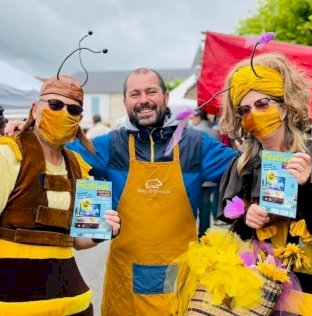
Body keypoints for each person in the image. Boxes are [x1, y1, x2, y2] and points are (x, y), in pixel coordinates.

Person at [63, 68, 236, 315]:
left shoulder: (197, 145)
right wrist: (28, 134)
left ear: (166, 98)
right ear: (125, 103)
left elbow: (246, 169)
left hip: (179, 280)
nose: (143, 99)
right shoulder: (109, 146)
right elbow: (55, 155)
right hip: (125, 282)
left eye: (151, 91)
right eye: (135, 94)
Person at [0, 75, 120, 315]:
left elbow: (78, 241)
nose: (64, 113)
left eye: (73, 110)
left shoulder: (78, 167)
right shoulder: (9, 154)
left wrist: (104, 231)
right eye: (55, 105)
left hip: (70, 303)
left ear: (80, 119)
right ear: (35, 109)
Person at [218, 52, 312, 315]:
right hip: (260, 292)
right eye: (245, 110)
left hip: (310, 290)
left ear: (283, 108)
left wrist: (305, 188)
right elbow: (236, 232)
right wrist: (246, 216)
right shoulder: (243, 165)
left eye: (262, 104)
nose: (254, 115)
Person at [189, 109, 223, 237]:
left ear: (198, 117)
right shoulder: (214, 132)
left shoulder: (194, 133)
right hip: (213, 174)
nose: (191, 120)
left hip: (197, 175)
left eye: (192, 118)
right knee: (206, 205)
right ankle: (204, 233)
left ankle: (196, 234)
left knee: (193, 207)